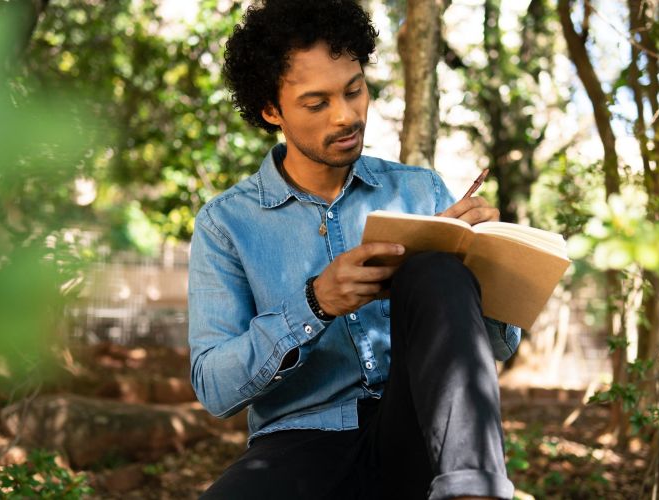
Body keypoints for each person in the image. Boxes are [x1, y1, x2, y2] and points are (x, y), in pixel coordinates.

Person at [188, 1, 521, 498]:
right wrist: (314, 303)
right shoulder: (225, 223)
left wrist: (481, 263)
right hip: (299, 443)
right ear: (271, 110)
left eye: (354, 90)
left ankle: (474, 493)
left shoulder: (420, 190)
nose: (346, 115)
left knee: (437, 270)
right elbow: (215, 389)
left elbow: (501, 347)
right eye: (317, 103)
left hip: (418, 433)